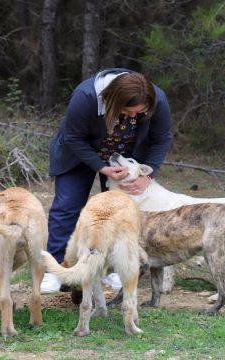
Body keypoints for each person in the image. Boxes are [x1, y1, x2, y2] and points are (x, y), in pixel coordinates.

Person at [42, 68, 173, 293]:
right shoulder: (86, 97)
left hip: (123, 157)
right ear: (113, 100)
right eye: (128, 112)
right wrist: (101, 167)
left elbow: (162, 138)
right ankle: (56, 270)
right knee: (67, 207)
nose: (133, 117)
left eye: (138, 114)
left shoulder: (156, 100)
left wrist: (148, 175)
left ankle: (116, 269)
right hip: (79, 154)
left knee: (122, 214)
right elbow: (73, 137)